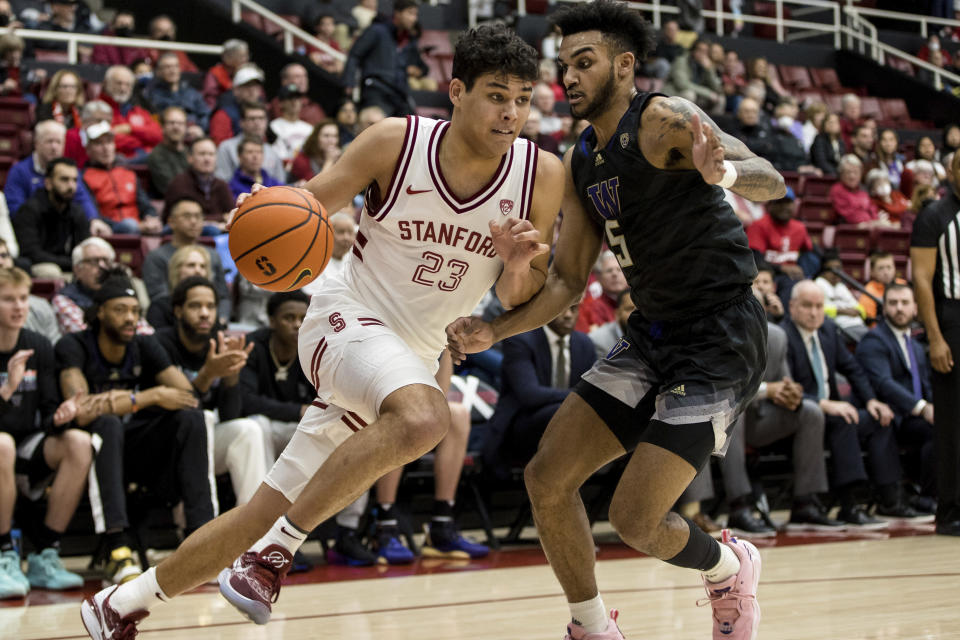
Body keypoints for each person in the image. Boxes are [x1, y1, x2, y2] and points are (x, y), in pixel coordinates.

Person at [81, 23, 565, 638]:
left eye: (523, 98)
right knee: (425, 419)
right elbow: (305, 207)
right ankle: (275, 554)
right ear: (457, 90)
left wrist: (519, 265)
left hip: (410, 356)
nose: (512, 112)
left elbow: (520, 295)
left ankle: (119, 605)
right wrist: (261, 211)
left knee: (263, 506)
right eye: (497, 95)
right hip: (346, 320)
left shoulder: (541, 175)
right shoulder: (397, 141)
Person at [446, 2, 786, 637]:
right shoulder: (581, 160)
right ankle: (592, 626)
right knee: (546, 478)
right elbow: (570, 280)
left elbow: (774, 181)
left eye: (584, 63)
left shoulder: (664, 120)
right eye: (564, 66)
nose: (569, 77)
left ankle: (727, 566)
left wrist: (728, 172)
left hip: (719, 336)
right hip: (653, 332)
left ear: (624, 66)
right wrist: (494, 328)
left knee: (637, 521)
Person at [56, 271, 214, 585]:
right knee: (108, 423)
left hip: (141, 452)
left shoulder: (145, 345)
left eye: (134, 311)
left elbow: (188, 397)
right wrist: (149, 396)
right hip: (92, 454)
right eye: (120, 310)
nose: (130, 318)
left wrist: (120, 400)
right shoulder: (72, 345)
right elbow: (83, 410)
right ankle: (117, 547)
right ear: (99, 311)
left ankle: (201, 540)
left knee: (192, 419)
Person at [784, 281, 921, 524]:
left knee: (879, 418)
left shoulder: (828, 329)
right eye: (807, 306)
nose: (814, 312)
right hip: (798, 415)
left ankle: (890, 498)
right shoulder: (782, 336)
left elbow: (854, 369)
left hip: (833, 414)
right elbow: (783, 387)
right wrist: (824, 403)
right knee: (843, 420)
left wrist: (871, 401)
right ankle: (849, 504)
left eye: (819, 306)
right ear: (792, 307)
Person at [0, 266, 91, 598]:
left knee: (79, 443)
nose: (18, 307)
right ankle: (4, 555)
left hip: (27, 442)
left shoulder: (38, 345)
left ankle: (45, 554)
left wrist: (63, 415)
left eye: (23, 299)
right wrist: (7, 391)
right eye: (8, 299)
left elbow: (50, 408)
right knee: (2, 445)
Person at [155, 277, 264, 506]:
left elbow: (230, 417)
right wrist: (208, 373)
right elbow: (184, 407)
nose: (205, 313)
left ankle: (256, 530)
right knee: (202, 418)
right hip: (164, 445)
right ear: (177, 311)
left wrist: (231, 377)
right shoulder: (158, 344)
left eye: (211, 307)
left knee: (249, 429)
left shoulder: (220, 344)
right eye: (195, 306)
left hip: (203, 445)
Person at [910, 149, 960, 536]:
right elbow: (922, 280)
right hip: (951, 321)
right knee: (952, 422)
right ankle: (950, 511)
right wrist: (936, 338)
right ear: (950, 171)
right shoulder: (934, 216)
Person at [483, 303, 597, 469]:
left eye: (573, 309)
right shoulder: (520, 339)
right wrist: (579, 396)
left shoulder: (584, 343)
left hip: (567, 418)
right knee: (565, 412)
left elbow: (593, 392)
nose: (568, 315)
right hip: (521, 425)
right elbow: (529, 395)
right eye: (562, 308)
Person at [855, 284, 937, 506]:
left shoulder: (916, 346)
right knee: (939, 431)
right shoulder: (874, 340)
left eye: (904, 303)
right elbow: (884, 383)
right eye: (893, 303)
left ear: (915, 308)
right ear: (884, 309)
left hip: (915, 417)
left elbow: (927, 385)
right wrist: (922, 407)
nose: (899, 308)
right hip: (893, 417)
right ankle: (928, 497)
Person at [141, 198, 231, 322]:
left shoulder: (213, 255)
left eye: (198, 216)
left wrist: (221, 319)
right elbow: (159, 297)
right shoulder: (156, 257)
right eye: (187, 216)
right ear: (171, 222)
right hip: (171, 320)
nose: (193, 221)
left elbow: (223, 296)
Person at [5, 120, 99, 222]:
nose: (54, 147)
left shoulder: (70, 171)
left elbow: (83, 200)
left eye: (58, 142)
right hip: (32, 228)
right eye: (49, 141)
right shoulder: (20, 171)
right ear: (36, 144)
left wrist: (93, 219)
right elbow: (14, 207)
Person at [12, 157, 90, 278]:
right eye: (64, 179)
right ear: (48, 183)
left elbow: (85, 246)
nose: (71, 186)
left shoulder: (77, 211)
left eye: (74, 180)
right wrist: (72, 263)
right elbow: (30, 253)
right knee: (51, 271)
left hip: (68, 265)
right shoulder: (29, 210)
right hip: (38, 266)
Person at [82, 122, 162, 236]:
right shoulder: (85, 177)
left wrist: (151, 218)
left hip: (138, 227)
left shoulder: (128, 173)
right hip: (109, 230)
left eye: (109, 142)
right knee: (130, 225)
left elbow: (146, 205)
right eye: (99, 144)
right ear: (88, 149)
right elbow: (93, 214)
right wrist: (138, 226)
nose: (106, 148)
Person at [342, 0, 420, 116]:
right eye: (410, 13)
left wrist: (419, 70)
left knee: (413, 127)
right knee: (375, 122)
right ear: (397, 13)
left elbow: (421, 65)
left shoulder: (409, 39)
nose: (413, 19)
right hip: (376, 89)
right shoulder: (377, 30)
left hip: (399, 94)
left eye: (415, 14)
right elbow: (354, 55)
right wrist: (349, 82)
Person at [0, 239, 61, 344]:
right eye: (8, 299)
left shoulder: (41, 306)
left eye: (4, 255)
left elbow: (54, 349)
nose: (0, 262)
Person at [165, 138, 235, 227]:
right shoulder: (179, 183)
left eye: (211, 154)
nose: (207, 159)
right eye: (202, 154)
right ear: (190, 158)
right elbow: (184, 218)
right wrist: (220, 218)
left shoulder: (222, 185)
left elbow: (231, 215)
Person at [100, 66, 163, 160]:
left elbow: (158, 135)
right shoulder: (98, 108)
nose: (123, 88)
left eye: (127, 84)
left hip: (144, 158)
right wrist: (142, 140)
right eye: (118, 83)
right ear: (106, 84)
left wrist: (130, 129)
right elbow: (104, 140)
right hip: (116, 160)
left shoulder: (137, 110)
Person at [214, 102, 285, 183]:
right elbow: (222, 182)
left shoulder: (272, 151)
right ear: (241, 123)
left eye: (261, 118)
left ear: (266, 122)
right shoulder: (226, 148)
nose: (257, 123)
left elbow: (281, 185)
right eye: (252, 119)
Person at [146, 244, 212, 330]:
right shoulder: (159, 307)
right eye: (191, 265)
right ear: (176, 270)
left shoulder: (210, 306)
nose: (198, 271)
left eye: (202, 266)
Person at [143, 52, 210, 136]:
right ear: (159, 71)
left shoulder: (192, 93)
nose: (172, 70)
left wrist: (200, 127)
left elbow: (205, 114)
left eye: (176, 66)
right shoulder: (151, 95)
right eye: (167, 67)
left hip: (191, 135)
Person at [815, 251, 869, 343]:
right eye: (832, 269)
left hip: (858, 325)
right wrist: (843, 311)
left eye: (839, 268)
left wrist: (857, 311)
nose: (836, 273)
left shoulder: (841, 287)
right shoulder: (817, 284)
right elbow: (818, 310)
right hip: (841, 328)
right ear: (823, 271)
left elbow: (861, 309)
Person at [209, 64, 265, 145]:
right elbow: (220, 145)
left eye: (256, 86)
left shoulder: (264, 110)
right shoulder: (223, 115)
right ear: (235, 90)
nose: (252, 90)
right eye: (247, 86)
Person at [575, 250, 627, 332]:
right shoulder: (589, 309)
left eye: (619, 269)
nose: (615, 274)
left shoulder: (639, 303)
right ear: (598, 277)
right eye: (609, 270)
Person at [146, 106, 190, 195]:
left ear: (186, 127)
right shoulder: (157, 156)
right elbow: (171, 188)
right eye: (171, 123)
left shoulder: (191, 152)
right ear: (162, 127)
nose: (176, 127)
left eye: (180, 123)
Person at [270, 84, 314, 166]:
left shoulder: (309, 128)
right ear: (280, 103)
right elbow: (278, 156)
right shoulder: (273, 127)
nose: (294, 102)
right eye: (289, 98)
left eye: (297, 98)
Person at [859, 251, 906, 324]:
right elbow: (870, 323)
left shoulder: (904, 285)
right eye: (881, 268)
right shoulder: (868, 291)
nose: (886, 272)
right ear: (872, 271)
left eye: (889, 267)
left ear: (895, 268)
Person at [290, 120, 341, 184]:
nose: (331, 140)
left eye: (335, 136)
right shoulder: (301, 160)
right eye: (326, 136)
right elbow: (316, 187)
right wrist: (329, 161)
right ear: (316, 138)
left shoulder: (338, 157)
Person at [203, 39, 249, 109]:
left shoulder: (248, 73)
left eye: (246, 56)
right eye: (242, 56)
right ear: (228, 57)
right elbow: (210, 101)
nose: (245, 59)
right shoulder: (214, 73)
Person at [588, 289, 634, 359]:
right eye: (630, 308)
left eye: (640, 309)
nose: (636, 314)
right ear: (617, 314)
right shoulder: (599, 340)